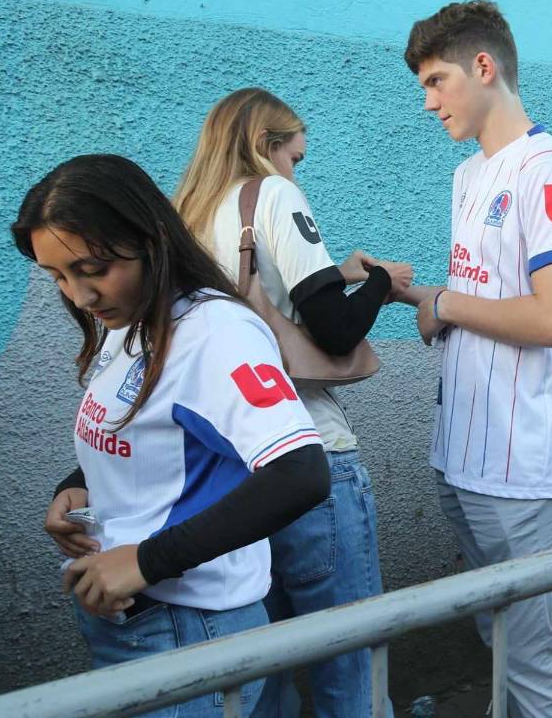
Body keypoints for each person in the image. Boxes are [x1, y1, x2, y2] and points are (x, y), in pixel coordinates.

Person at [20, 154, 329, 717]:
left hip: (189, 629)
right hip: (136, 623)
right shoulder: (132, 318)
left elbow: (302, 471)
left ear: (154, 239)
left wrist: (146, 560)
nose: (79, 296)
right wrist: (78, 485)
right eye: (59, 276)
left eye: (93, 268)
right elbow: (154, 434)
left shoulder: (215, 333)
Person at [174, 88, 408, 717]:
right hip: (309, 454)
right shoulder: (272, 195)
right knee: (351, 675)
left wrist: (343, 273)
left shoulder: (186, 217)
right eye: (295, 158)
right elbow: (333, 331)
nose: (294, 172)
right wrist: (384, 282)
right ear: (265, 145)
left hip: (232, 473)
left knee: (263, 678)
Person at [402, 0, 552, 718]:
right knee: (497, 627)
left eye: (436, 80)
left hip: (521, 462)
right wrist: (412, 294)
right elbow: (488, 297)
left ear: (483, 67)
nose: (428, 103)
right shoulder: (468, 175)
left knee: (530, 645)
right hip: (460, 452)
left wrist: (446, 304)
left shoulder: (548, 168)